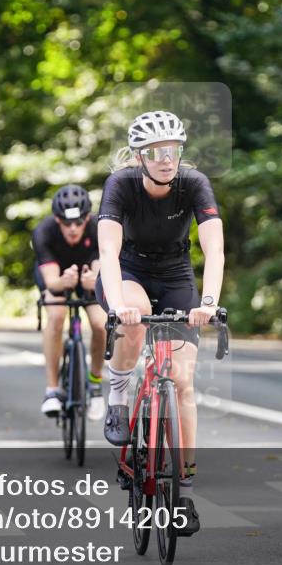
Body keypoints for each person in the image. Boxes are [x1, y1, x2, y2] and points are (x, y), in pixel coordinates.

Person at [95, 110, 225, 536]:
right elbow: (108, 253)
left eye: (172, 150)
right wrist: (118, 305)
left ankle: (184, 488)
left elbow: (214, 250)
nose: (166, 159)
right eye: (155, 152)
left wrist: (208, 303)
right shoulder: (121, 184)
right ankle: (118, 393)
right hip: (128, 271)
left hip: (175, 275)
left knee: (182, 381)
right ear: (139, 157)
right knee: (133, 325)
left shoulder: (194, 183)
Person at [33, 185, 106, 420]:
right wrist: (63, 282)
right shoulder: (44, 231)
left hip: (88, 275)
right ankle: (52, 390)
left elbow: (102, 271)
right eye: (67, 223)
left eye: (78, 222)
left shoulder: (99, 228)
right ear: (57, 220)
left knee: (100, 324)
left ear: (87, 218)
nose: (73, 228)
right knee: (56, 317)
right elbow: (51, 282)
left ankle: (95, 383)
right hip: (57, 276)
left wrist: (94, 282)